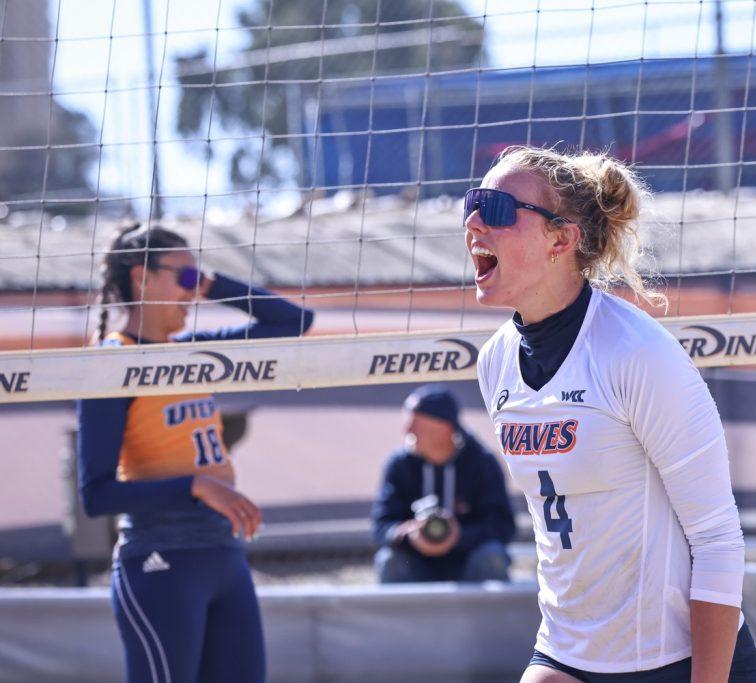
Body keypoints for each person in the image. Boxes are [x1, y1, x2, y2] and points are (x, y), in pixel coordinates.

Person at [467, 146, 756, 682]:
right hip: (567, 654)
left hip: (677, 662)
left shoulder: (635, 353)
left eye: (498, 209)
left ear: (562, 239)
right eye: (473, 203)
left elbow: (718, 539)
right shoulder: (495, 363)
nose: (473, 221)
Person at [77, 223, 314, 683]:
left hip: (223, 554)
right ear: (143, 277)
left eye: (195, 278)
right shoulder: (112, 360)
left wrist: (210, 284)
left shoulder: (190, 352)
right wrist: (196, 486)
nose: (193, 289)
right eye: (184, 277)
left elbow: (294, 322)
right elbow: (96, 495)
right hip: (161, 558)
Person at [372, 385, 516, 583]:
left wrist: (459, 536)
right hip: (416, 563)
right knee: (389, 559)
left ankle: (491, 614)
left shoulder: (481, 463)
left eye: (415, 423)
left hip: (468, 560)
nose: (406, 430)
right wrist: (409, 534)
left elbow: (503, 525)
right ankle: (401, 615)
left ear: (443, 428)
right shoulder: (399, 465)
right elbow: (381, 525)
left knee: (492, 555)